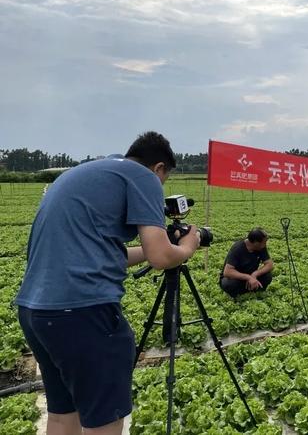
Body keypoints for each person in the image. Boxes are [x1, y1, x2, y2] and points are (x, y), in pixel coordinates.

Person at [15, 132, 201, 435]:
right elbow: (161, 257)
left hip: (37, 311)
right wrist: (188, 246)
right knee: (104, 422)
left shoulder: (91, 172)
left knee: (64, 414)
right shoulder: (144, 178)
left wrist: (164, 245)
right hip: (83, 311)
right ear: (158, 169)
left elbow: (115, 254)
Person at [220, 227, 274, 298]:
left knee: (267, 276)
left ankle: (252, 288)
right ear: (256, 243)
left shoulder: (260, 247)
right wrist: (248, 277)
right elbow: (227, 272)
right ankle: (243, 293)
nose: (265, 245)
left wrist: (255, 274)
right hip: (237, 278)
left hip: (251, 275)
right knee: (229, 284)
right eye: (264, 242)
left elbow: (269, 264)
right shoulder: (238, 248)